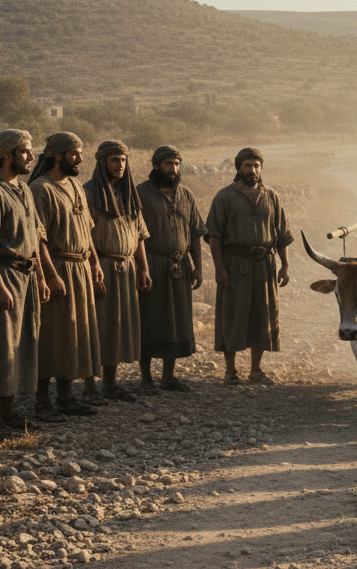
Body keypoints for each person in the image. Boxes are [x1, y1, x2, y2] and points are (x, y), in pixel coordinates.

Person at [0, 130, 51, 439]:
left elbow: (34, 240)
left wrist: (40, 277)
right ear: (8, 156)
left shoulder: (24, 191)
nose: (31, 157)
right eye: (26, 152)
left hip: (25, 278)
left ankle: (10, 413)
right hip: (0, 277)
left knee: (19, 344)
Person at [29, 131, 104, 419]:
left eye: (81, 153)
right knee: (50, 335)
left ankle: (66, 397)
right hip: (57, 267)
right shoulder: (41, 189)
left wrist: (95, 264)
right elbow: (38, 239)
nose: (80, 159)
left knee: (73, 334)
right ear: (58, 155)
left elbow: (87, 231)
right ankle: (41, 402)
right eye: (74, 154)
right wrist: (50, 275)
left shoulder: (76, 187)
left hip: (81, 268)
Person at [206, 147, 292, 384]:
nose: (252, 170)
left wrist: (284, 266)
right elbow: (214, 236)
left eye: (256, 166)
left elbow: (282, 234)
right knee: (232, 314)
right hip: (235, 263)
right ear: (238, 168)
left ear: (261, 169)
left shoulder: (271, 196)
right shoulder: (224, 197)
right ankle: (230, 371)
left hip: (264, 264)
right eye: (247, 165)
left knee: (261, 315)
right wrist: (219, 268)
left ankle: (256, 370)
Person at [82, 140, 151, 404]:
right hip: (102, 266)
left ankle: (110, 385)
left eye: (123, 160)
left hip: (127, 268)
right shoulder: (89, 194)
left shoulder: (129, 193)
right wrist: (93, 268)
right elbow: (84, 235)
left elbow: (140, 235)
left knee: (119, 326)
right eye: (114, 160)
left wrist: (143, 268)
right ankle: (89, 387)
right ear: (102, 163)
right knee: (96, 326)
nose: (120, 165)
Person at [136, 145, 207, 392]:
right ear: (156, 166)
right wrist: (142, 268)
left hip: (180, 265)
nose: (173, 169)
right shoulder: (141, 193)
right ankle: (145, 378)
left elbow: (196, 233)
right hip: (152, 264)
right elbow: (136, 236)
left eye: (177, 164)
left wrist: (198, 268)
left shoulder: (186, 194)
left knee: (176, 320)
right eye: (168, 164)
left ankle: (168, 377)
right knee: (149, 319)